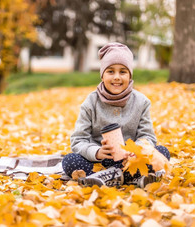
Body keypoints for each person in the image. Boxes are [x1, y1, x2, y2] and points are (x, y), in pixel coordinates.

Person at [62, 42, 170, 188]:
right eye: (111, 71)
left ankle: (110, 177)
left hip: (132, 160)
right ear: (102, 76)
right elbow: (78, 140)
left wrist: (135, 151)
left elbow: (148, 137)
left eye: (123, 72)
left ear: (130, 75)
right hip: (100, 161)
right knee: (69, 160)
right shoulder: (91, 102)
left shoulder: (141, 102)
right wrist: (97, 152)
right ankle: (131, 177)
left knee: (162, 152)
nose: (117, 77)